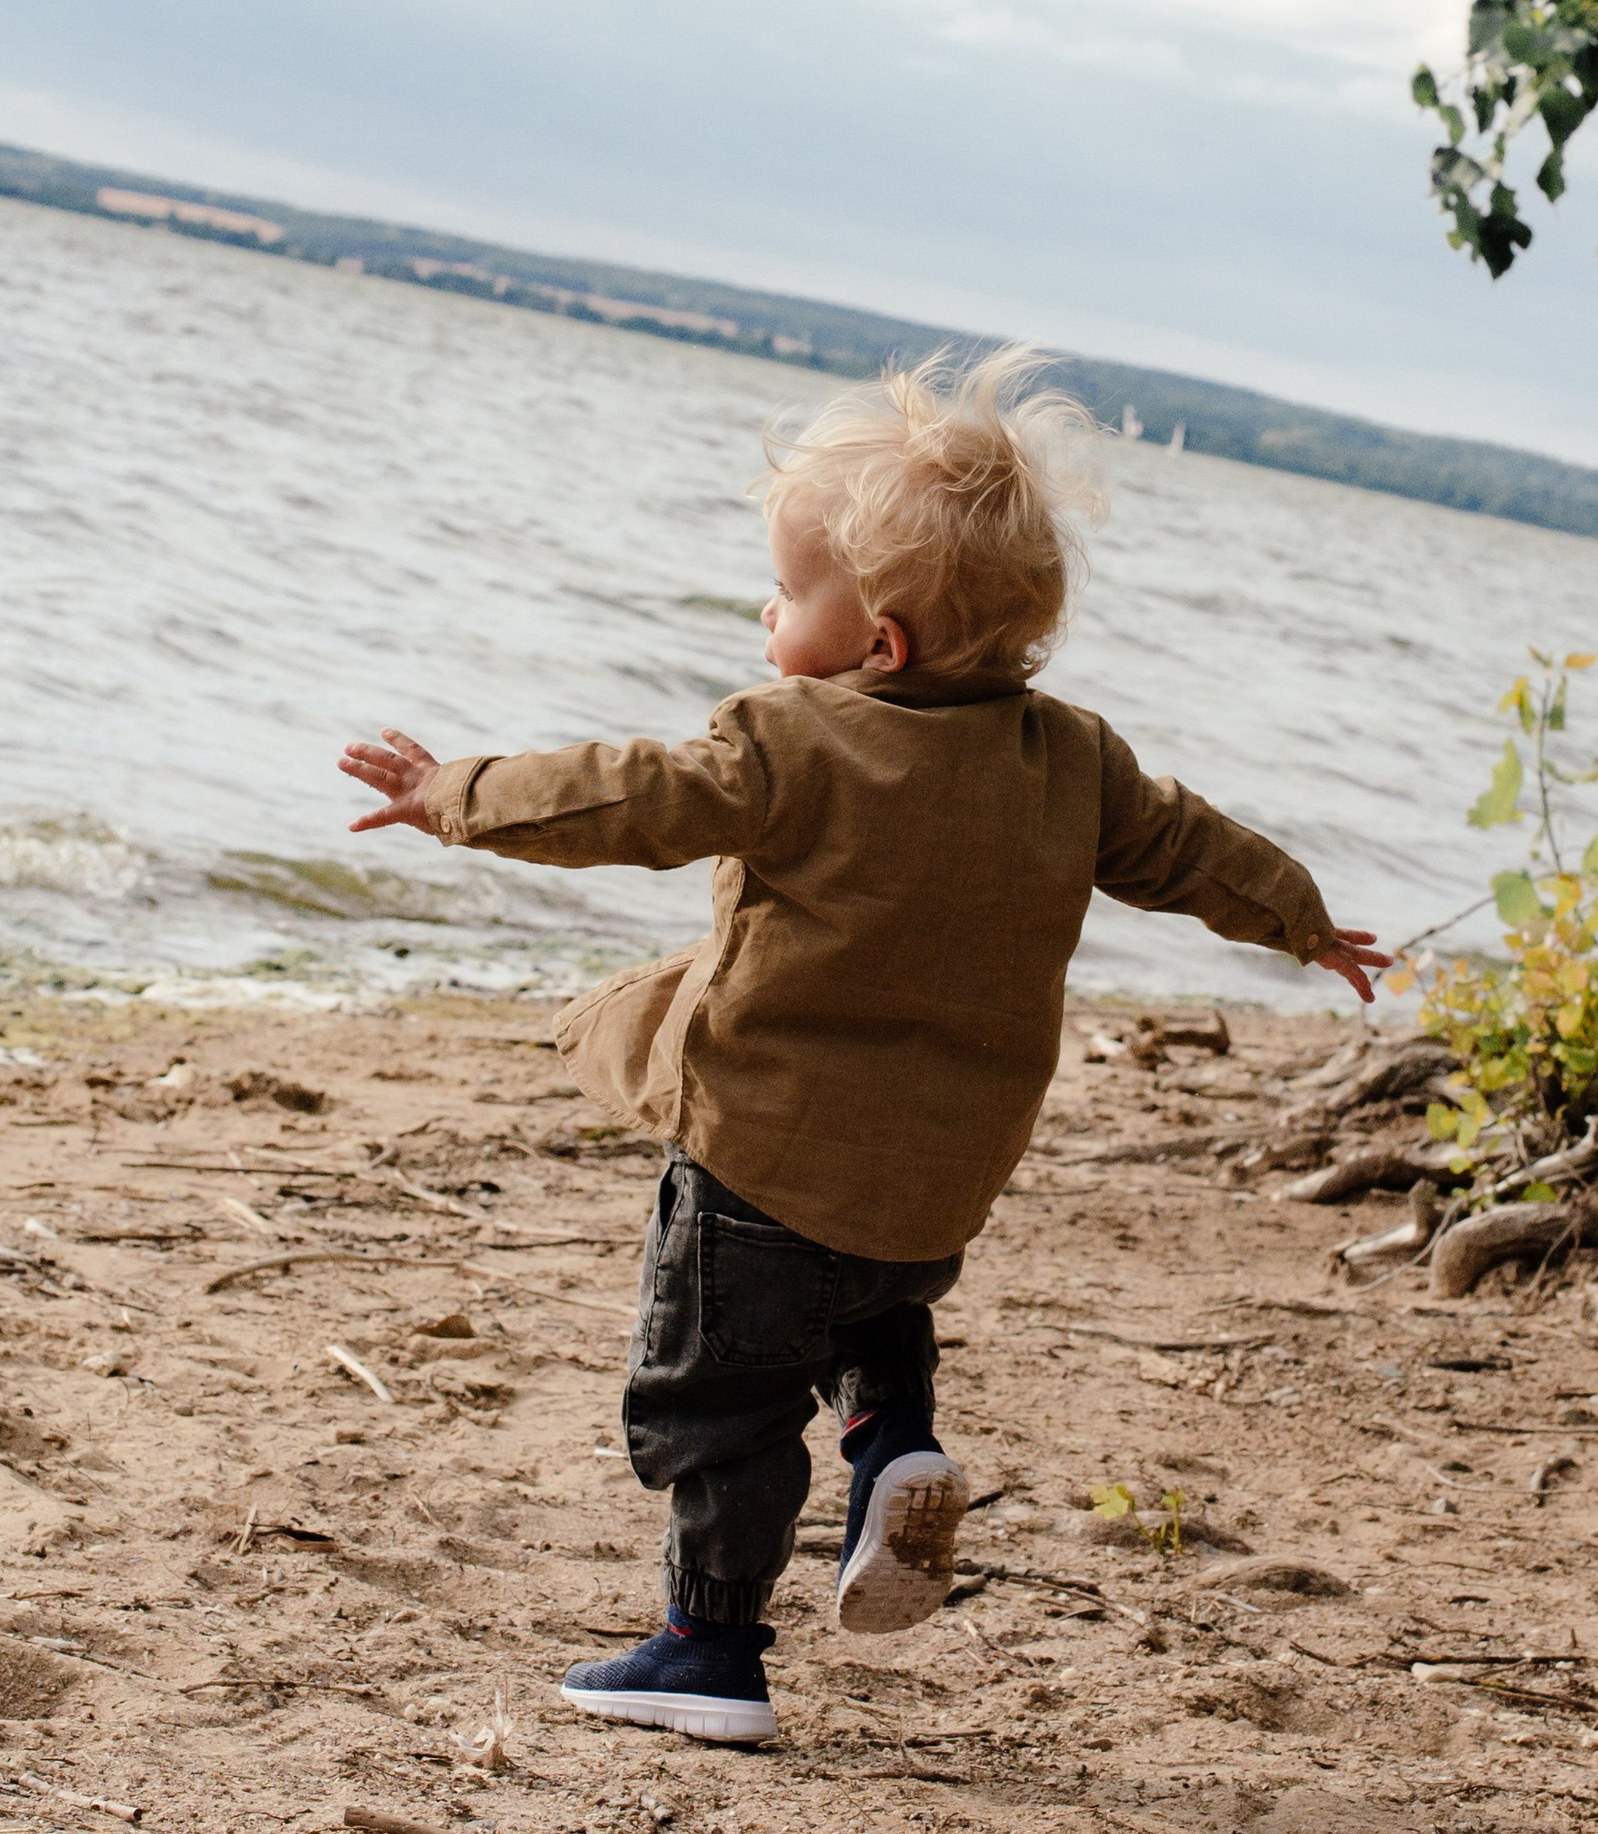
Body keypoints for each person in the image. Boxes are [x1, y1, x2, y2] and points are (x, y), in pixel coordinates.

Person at [337, 350, 1386, 1748]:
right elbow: (1194, 849)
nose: (766, 612)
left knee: (722, 1396)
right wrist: (1303, 923)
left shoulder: (791, 743)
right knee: (870, 1310)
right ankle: (895, 1438)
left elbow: (626, 799)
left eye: (785, 591)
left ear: (880, 643)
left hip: (763, 1161)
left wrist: (450, 792)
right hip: (936, 1183)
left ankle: (710, 1651)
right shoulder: (1075, 761)